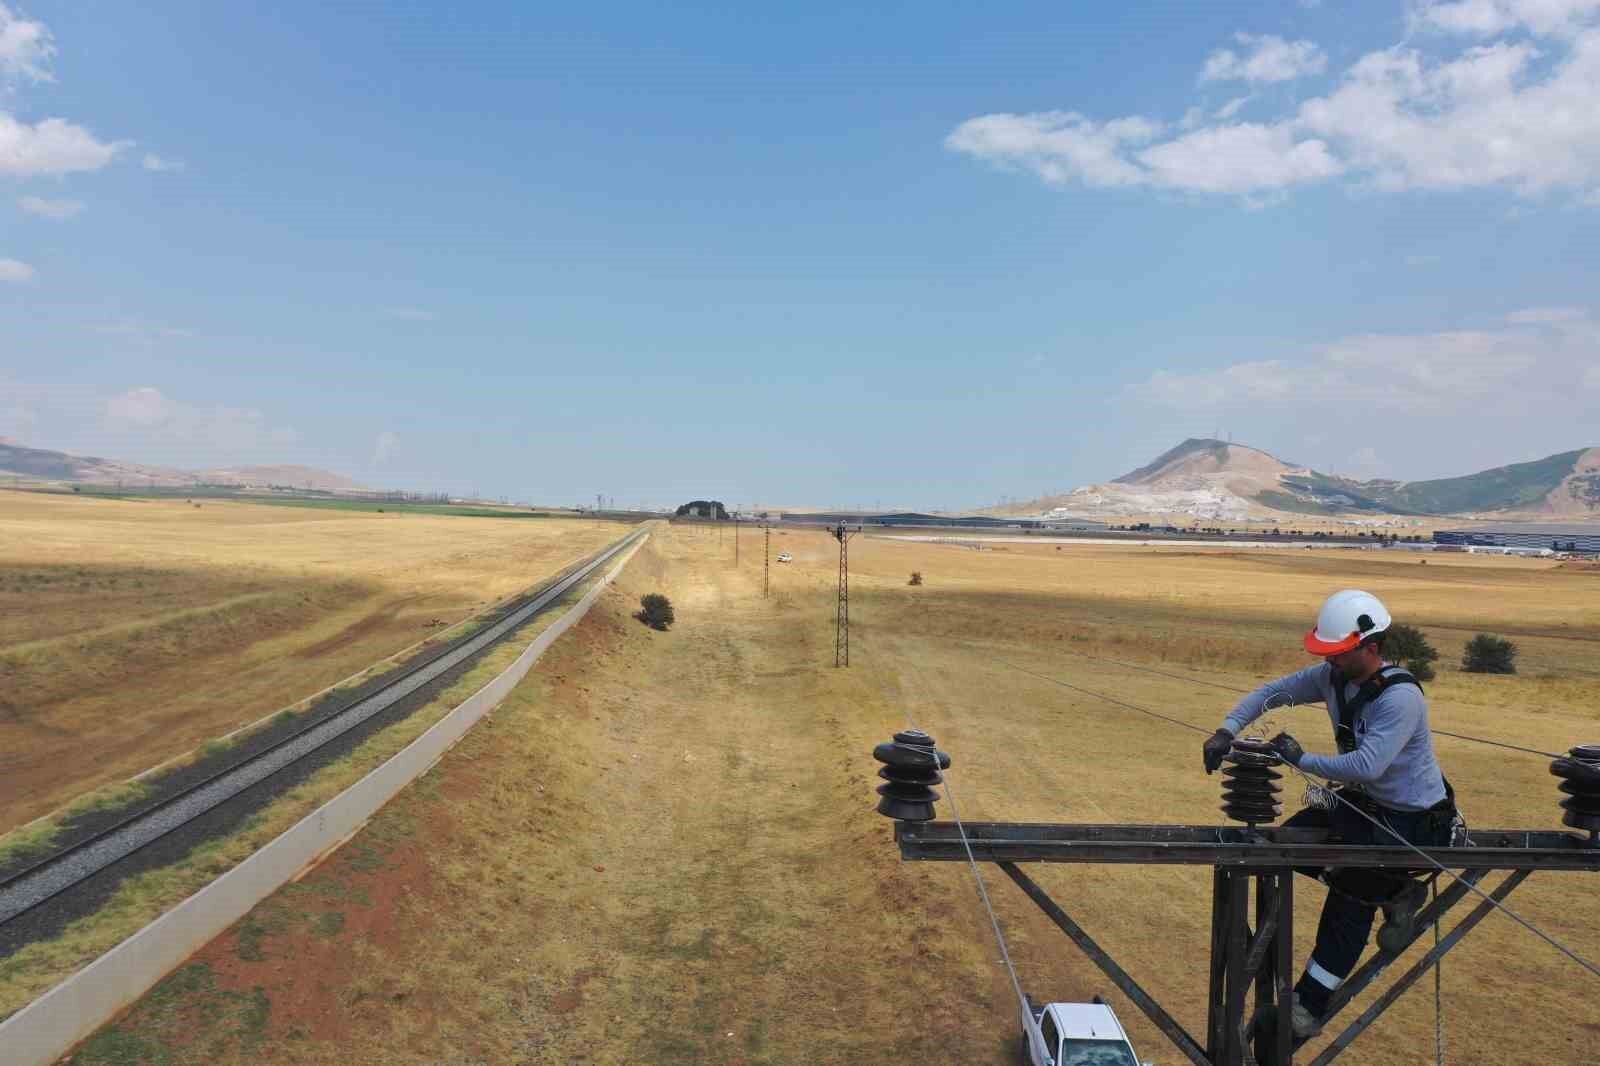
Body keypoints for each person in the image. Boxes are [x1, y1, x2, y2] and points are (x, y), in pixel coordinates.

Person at [1200, 589, 1457, 1039]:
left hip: (1415, 823)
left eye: (1339, 653)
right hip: (1366, 806)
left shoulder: (1400, 699)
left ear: (1371, 648)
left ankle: (1307, 1009)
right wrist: (1226, 730)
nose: (1331, 661)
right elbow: (1273, 693)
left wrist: (1300, 759)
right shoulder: (1331, 677)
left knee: (1351, 897)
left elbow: (1367, 765)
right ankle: (1396, 893)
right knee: (1287, 842)